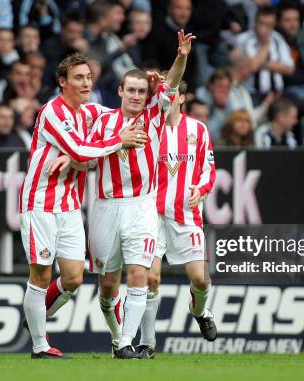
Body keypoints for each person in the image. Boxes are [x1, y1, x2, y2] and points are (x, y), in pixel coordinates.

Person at [18, 53, 148, 359]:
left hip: (70, 204)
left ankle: (35, 313)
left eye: (88, 77)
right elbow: (81, 148)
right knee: (40, 273)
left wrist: (150, 87)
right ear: (63, 82)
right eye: (78, 77)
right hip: (41, 202)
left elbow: (111, 125)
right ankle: (40, 345)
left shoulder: (90, 113)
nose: (86, 82)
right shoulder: (53, 111)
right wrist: (117, 141)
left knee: (74, 277)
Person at [80, 30, 193, 359]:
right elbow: (85, 154)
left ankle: (128, 342)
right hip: (105, 206)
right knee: (107, 286)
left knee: (140, 272)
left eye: (142, 91)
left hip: (142, 206)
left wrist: (181, 55)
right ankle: (118, 338)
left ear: (148, 95)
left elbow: (171, 83)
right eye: (131, 90)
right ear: (120, 91)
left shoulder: (155, 116)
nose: (136, 96)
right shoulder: (102, 121)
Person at [137, 80, 216, 359]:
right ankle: (147, 344)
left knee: (201, 280)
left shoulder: (198, 130)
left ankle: (200, 311)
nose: (166, 100)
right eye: (162, 96)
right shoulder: (149, 128)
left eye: (172, 96)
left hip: (186, 214)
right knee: (151, 279)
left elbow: (208, 168)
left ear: (182, 99)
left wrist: (200, 188)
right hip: (152, 215)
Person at [235, 6, 293, 104]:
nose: (265, 28)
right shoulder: (243, 40)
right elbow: (251, 67)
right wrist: (266, 45)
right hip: (251, 94)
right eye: (262, 23)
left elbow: (289, 68)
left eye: (269, 25)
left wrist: (262, 63)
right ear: (255, 22)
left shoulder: (278, 39)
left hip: (276, 92)